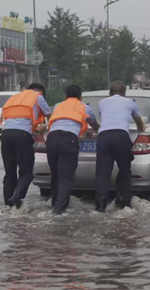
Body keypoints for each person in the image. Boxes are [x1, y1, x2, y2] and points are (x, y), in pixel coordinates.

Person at [47, 85, 100, 215]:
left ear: (65, 96)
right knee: (66, 177)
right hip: (69, 139)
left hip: (52, 138)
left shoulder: (58, 105)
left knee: (56, 175)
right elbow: (93, 124)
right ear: (81, 97)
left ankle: (55, 205)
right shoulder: (84, 107)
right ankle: (59, 210)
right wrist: (100, 131)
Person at [95, 81, 146, 212]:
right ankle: (123, 205)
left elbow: (104, 119)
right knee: (124, 171)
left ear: (109, 93)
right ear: (124, 93)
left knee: (102, 173)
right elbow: (138, 120)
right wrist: (142, 129)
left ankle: (100, 207)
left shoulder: (102, 102)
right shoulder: (130, 102)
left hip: (103, 137)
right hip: (120, 137)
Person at [0, 83, 52, 209]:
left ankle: (8, 206)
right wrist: (44, 127)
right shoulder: (38, 97)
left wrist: (35, 127)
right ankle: (17, 197)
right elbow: (51, 116)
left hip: (5, 134)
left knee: (9, 172)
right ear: (40, 92)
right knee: (27, 172)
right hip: (22, 136)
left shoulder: (14, 98)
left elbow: (19, 118)